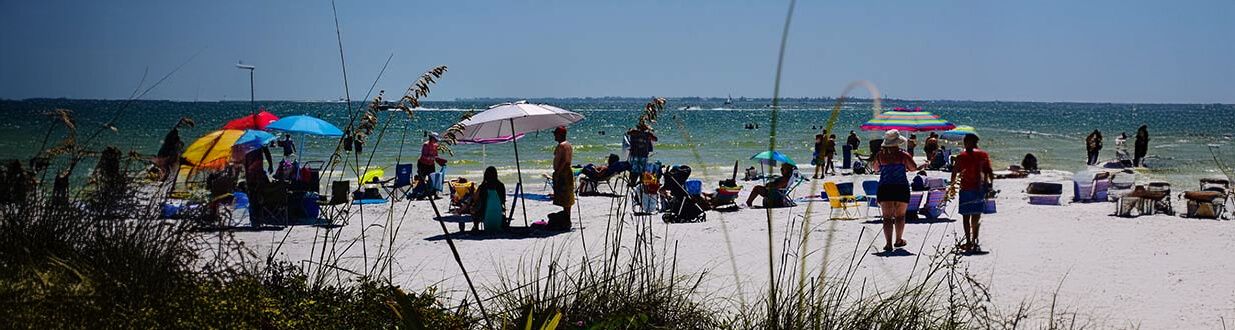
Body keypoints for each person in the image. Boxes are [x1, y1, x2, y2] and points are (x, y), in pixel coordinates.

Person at [869, 129, 918, 251]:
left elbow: (875, 168)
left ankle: (888, 244)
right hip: (901, 187)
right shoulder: (903, 155)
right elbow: (913, 168)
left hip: (885, 187)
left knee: (887, 218)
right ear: (898, 142)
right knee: (900, 216)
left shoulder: (880, 155)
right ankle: (898, 240)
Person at [951, 134, 994, 253]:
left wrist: (952, 186)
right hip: (979, 189)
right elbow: (988, 171)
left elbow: (954, 171)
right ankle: (974, 241)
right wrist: (990, 186)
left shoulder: (961, 156)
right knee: (976, 216)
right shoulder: (983, 155)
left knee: (966, 217)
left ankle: (969, 242)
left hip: (965, 189)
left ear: (966, 142)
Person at [548, 126, 574, 230]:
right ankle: (566, 219)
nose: (554, 135)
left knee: (566, 197)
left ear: (560, 134)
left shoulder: (563, 145)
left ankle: (567, 220)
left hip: (563, 173)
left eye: (556, 133)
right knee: (565, 197)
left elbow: (565, 161)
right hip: (563, 172)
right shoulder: (565, 145)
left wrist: (558, 172)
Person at [472, 166, 507, 232]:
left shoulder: (483, 186)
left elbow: (475, 199)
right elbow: (503, 200)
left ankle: (476, 227)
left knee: (473, 209)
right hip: (498, 217)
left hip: (486, 217)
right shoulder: (501, 185)